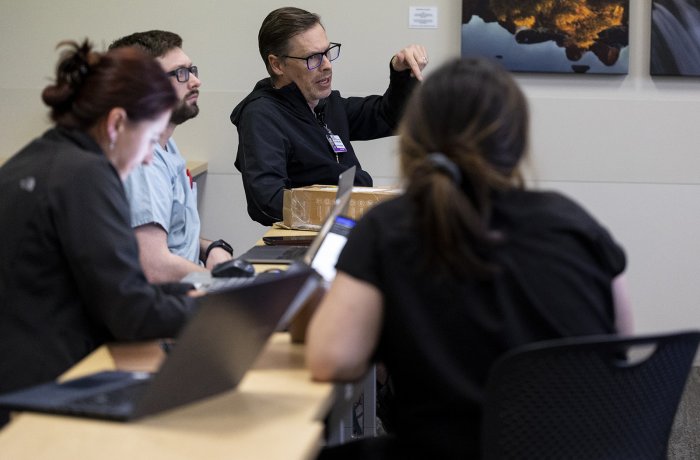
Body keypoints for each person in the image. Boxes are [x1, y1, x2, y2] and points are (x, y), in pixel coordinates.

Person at [306, 57, 633, 459]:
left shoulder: (388, 228)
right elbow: (620, 347)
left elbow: (331, 360)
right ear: (516, 141)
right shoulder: (575, 224)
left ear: (415, 137)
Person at [0, 40, 198, 425]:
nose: (146, 158)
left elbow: (110, 286)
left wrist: (186, 295)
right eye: (149, 139)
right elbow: (130, 311)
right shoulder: (86, 175)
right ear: (116, 124)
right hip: (37, 396)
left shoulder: (37, 160)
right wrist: (216, 312)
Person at [230, 7, 429, 226]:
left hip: (348, 226)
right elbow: (266, 202)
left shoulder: (325, 104)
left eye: (327, 52)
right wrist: (353, 205)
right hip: (310, 238)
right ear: (277, 65)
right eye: (313, 58)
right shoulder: (262, 115)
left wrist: (401, 73)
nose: (326, 65)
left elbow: (388, 117)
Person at [109, 31, 233, 283]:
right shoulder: (143, 163)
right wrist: (220, 285)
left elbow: (169, 232)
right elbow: (154, 266)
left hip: (187, 291)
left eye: (192, 70)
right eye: (180, 73)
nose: (195, 81)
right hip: (169, 306)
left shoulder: (166, 143)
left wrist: (210, 247)